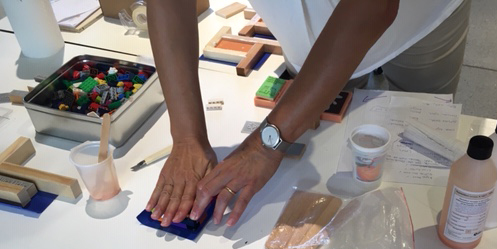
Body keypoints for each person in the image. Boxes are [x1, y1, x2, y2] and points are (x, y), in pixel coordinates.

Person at [146, 0, 471, 228]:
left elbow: (374, 7)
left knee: (420, 157)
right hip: (313, 38)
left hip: (419, 19)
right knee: (321, 150)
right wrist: (186, 138)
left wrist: (264, 145)